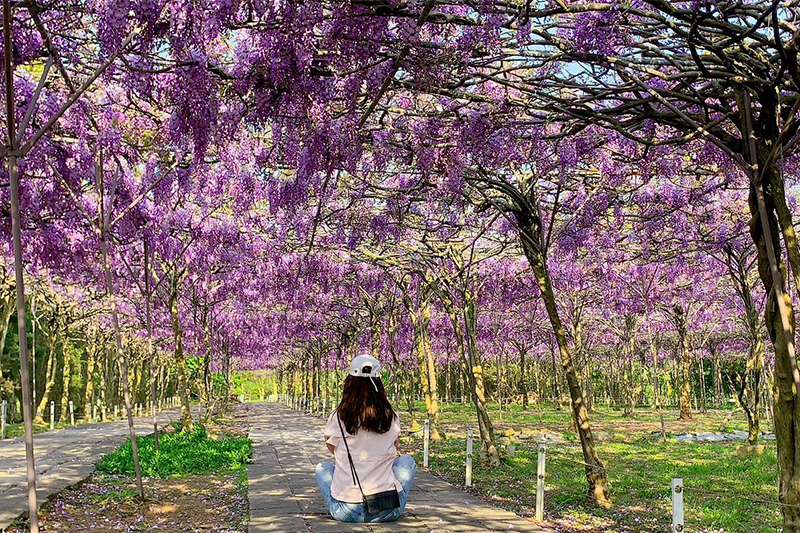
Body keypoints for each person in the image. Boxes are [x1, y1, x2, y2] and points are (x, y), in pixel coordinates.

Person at [315, 355, 416, 523]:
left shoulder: (337, 417)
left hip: (346, 511)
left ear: (349, 383)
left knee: (322, 468)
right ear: (379, 384)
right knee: (406, 461)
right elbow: (394, 447)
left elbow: (332, 448)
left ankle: (346, 498)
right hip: (387, 508)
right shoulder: (391, 417)